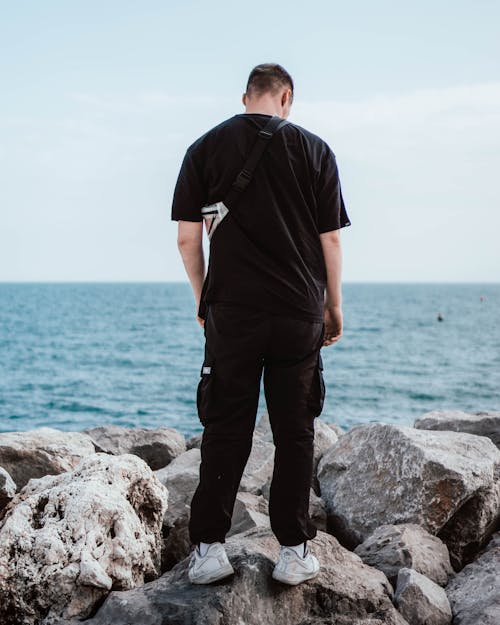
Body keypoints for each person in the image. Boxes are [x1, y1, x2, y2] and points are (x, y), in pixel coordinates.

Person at [171, 63, 351, 585]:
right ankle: (293, 552)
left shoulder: (203, 148)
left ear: (246, 96)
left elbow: (187, 240)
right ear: (286, 97)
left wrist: (205, 298)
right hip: (298, 311)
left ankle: (208, 549)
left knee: (226, 427)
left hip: (232, 312)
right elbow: (331, 240)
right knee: (295, 431)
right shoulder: (316, 151)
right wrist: (332, 306)